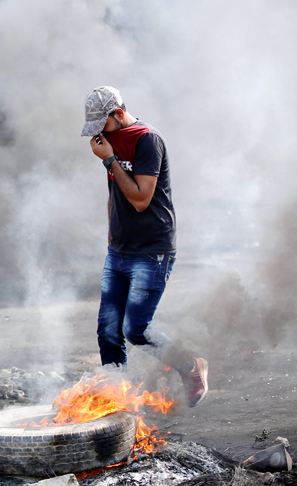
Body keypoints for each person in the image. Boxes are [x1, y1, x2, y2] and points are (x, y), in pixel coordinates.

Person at [82, 86, 208, 407]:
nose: (97, 134)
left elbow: (139, 198)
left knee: (135, 329)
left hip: (152, 251)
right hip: (120, 251)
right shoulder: (109, 142)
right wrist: (112, 234)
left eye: (102, 124)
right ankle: (114, 397)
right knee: (108, 330)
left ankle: (190, 366)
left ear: (119, 115)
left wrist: (110, 159)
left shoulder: (147, 140)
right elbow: (116, 194)